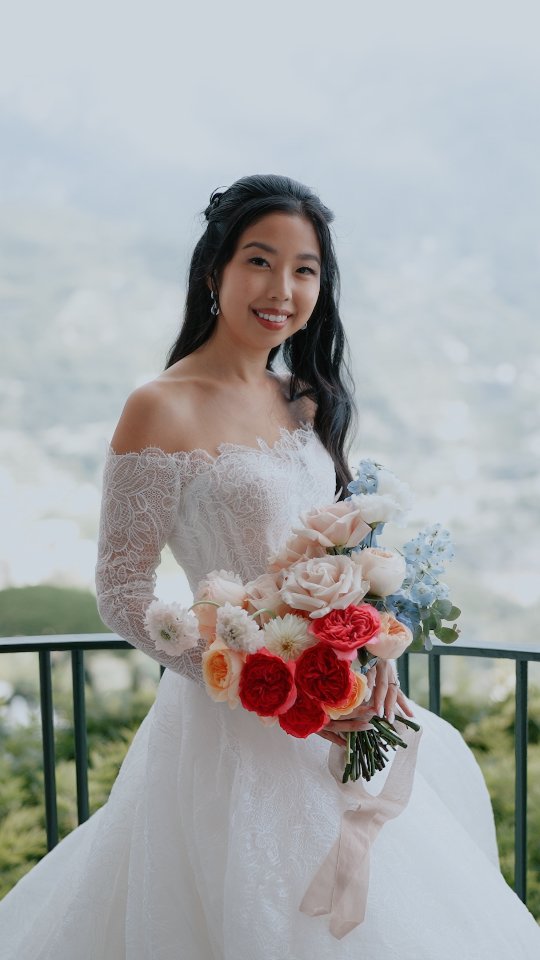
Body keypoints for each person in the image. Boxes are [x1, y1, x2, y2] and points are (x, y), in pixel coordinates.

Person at [1, 174, 538, 959]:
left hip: (339, 708)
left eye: (304, 269)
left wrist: (371, 648)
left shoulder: (307, 401)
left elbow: (339, 551)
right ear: (213, 269)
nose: (282, 289)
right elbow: (122, 589)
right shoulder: (160, 406)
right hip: (226, 727)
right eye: (259, 260)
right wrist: (247, 677)